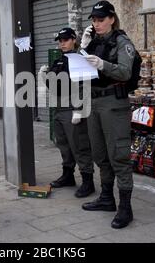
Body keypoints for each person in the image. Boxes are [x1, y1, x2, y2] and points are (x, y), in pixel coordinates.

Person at [79, 0, 136, 229]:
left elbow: (124, 71)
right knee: (100, 154)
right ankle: (106, 197)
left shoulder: (122, 42)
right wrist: (81, 49)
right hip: (95, 102)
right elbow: (81, 70)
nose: (97, 23)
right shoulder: (94, 43)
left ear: (112, 19)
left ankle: (125, 208)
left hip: (114, 103)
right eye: (94, 20)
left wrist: (103, 64)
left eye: (101, 19)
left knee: (119, 156)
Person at [39, 27, 95, 198]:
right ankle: (68, 175)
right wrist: (45, 77)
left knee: (80, 146)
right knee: (63, 144)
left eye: (65, 40)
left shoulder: (79, 59)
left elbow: (83, 84)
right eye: (60, 41)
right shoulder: (59, 61)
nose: (61, 43)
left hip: (73, 108)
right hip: (59, 108)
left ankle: (88, 181)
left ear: (73, 40)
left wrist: (79, 109)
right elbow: (54, 86)